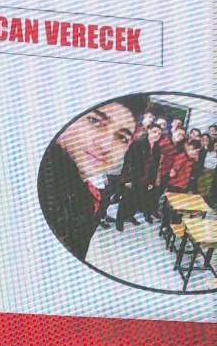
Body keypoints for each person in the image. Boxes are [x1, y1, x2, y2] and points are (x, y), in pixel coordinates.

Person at [38, 94, 146, 259]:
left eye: (121, 137)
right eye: (95, 121)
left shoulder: (81, 191)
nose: (105, 145)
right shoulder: (47, 191)